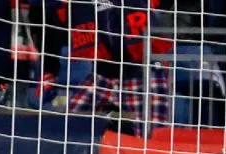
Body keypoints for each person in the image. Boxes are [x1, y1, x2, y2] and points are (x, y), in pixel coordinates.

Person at [28, 0, 172, 137]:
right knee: (67, 127)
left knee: (150, 139)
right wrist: (50, 70)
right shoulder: (73, 5)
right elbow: (50, 33)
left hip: (144, 74)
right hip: (102, 76)